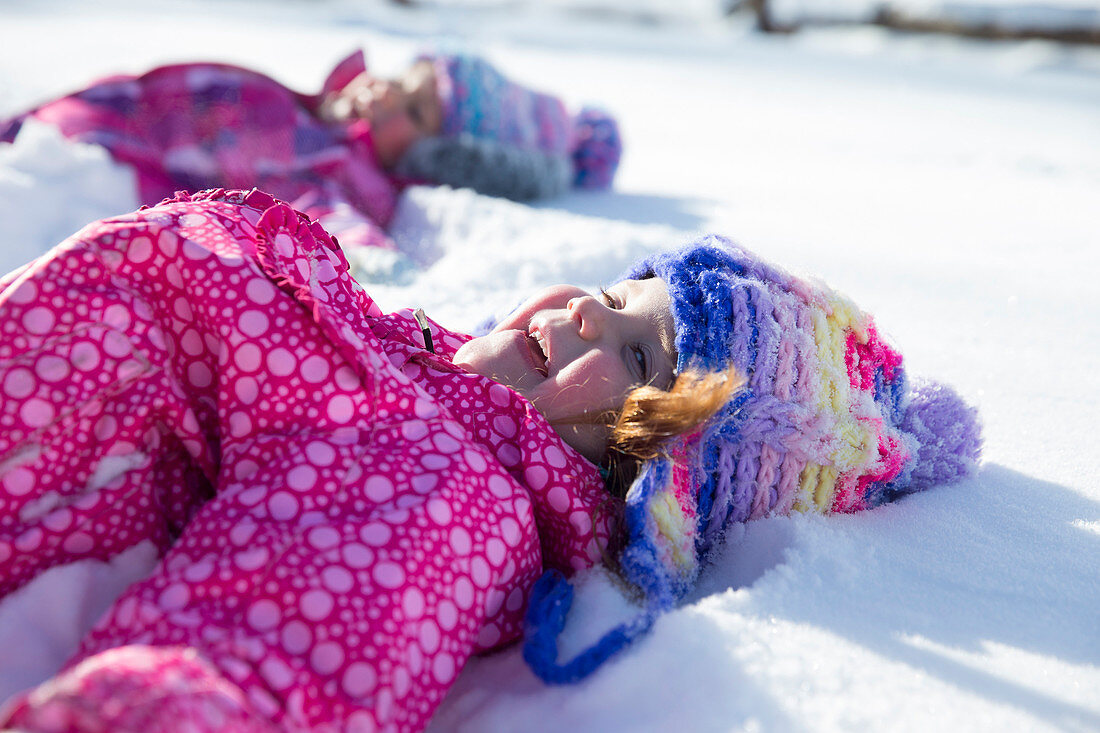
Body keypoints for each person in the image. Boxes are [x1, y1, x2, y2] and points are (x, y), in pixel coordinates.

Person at [0, 190, 980, 730]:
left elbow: (259, 661)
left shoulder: (443, 489)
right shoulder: (410, 371)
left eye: (639, 355)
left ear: (646, 480)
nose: (588, 309)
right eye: (616, 293)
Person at [0, 51, 622, 270]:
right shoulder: (315, 116)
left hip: (91, 177)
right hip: (84, 126)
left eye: (415, 109)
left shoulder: (337, 165)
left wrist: (380, 267)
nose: (384, 91)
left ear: (439, 158)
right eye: (402, 80)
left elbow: (324, 218)